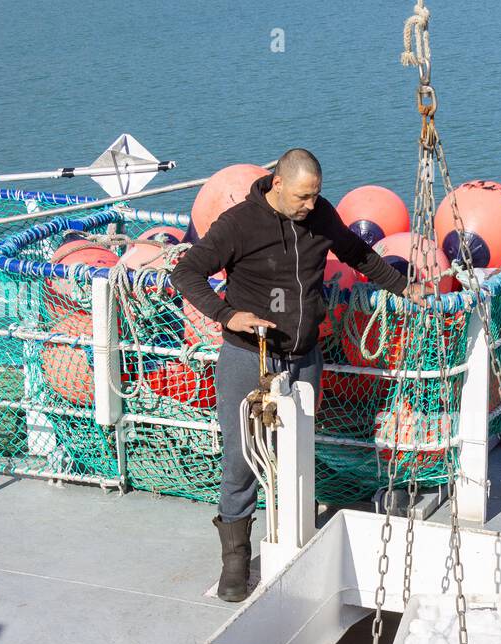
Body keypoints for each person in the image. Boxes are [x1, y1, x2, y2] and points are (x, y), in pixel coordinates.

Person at [172, 148, 425, 602]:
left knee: (298, 452)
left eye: (316, 196)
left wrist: (405, 287)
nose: (311, 206)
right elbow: (185, 271)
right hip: (251, 357)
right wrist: (226, 314)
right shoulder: (239, 224)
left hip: (305, 356)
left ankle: (295, 539)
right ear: (277, 185)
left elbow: (357, 254)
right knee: (242, 458)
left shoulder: (321, 214)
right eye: (303, 197)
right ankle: (235, 561)